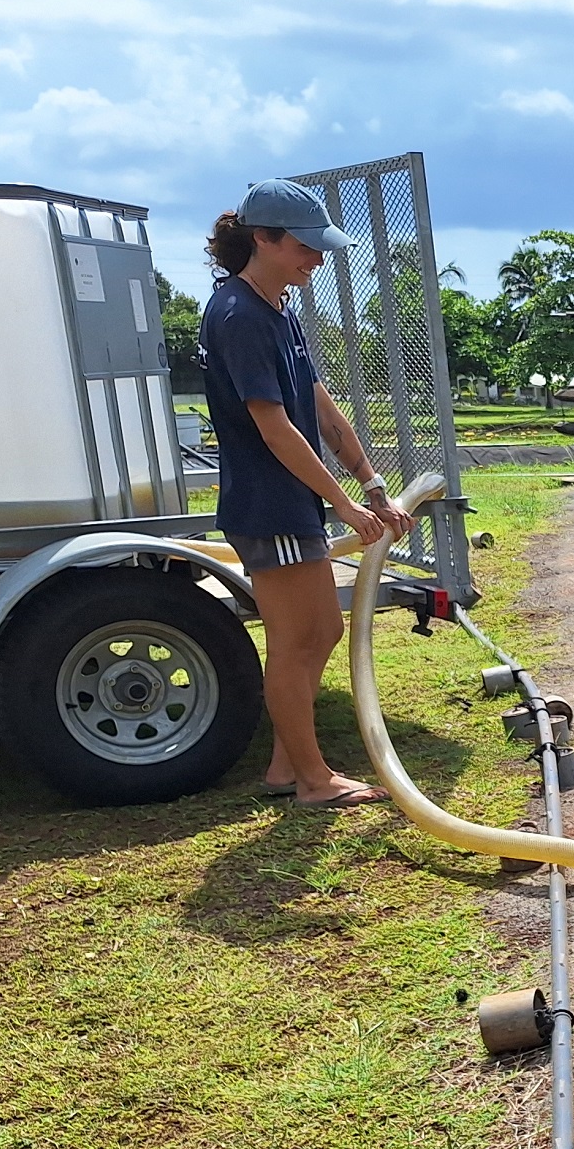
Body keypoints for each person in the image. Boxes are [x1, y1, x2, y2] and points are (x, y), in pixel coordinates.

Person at [199, 179, 414, 807]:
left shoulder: (278, 308)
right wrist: (344, 504)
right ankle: (315, 782)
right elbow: (273, 426)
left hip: (289, 502)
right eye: (304, 246)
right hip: (269, 504)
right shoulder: (238, 315)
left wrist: (371, 484)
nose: (316, 259)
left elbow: (320, 409)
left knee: (319, 634)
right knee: (300, 641)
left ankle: (286, 769)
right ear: (262, 239)